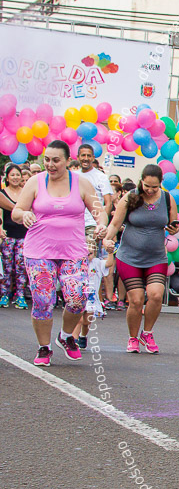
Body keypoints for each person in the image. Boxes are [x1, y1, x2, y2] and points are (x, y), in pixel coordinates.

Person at [11, 140, 107, 366]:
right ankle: (44, 348)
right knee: (43, 299)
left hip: (73, 251)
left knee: (77, 298)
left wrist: (102, 225)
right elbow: (17, 210)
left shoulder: (82, 184)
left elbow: (100, 212)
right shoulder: (35, 182)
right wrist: (23, 215)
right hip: (38, 250)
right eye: (47, 160)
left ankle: (65, 336)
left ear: (67, 161)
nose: (50, 165)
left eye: (56, 160)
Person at [103, 164, 179, 354]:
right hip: (130, 257)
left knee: (155, 295)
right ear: (141, 181)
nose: (150, 190)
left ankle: (147, 332)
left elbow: (173, 224)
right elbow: (115, 224)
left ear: (161, 183)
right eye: (147, 185)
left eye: (155, 187)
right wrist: (107, 240)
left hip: (156, 257)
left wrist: (174, 229)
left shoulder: (167, 199)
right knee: (136, 301)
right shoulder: (131, 197)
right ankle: (133, 337)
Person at [72, 239, 114, 348]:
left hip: (91, 298)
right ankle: (74, 339)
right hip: (79, 296)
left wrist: (110, 252)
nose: (87, 256)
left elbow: (109, 263)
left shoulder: (97, 263)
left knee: (86, 321)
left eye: (90, 253)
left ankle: (83, 336)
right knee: (79, 319)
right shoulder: (77, 262)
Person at [1, 163, 30, 308]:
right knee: (7, 267)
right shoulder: (2, 193)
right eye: (12, 175)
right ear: (7, 177)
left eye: (18, 175)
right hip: (8, 235)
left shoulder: (26, 192)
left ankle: (20, 295)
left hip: (24, 235)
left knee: (20, 267)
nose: (15, 177)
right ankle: (4, 294)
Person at [73, 144, 113, 246]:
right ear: (78, 157)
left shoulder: (101, 177)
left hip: (92, 225)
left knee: (90, 257)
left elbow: (108, 203)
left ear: (93, 158)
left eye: (89, 156)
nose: (86, 159)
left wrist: (102, 225)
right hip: (75, 224)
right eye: (83, 155)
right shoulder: (73, 176)